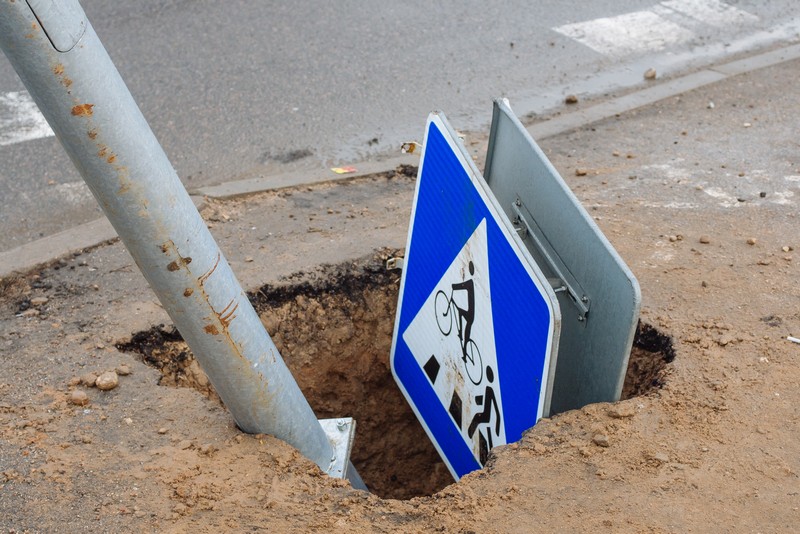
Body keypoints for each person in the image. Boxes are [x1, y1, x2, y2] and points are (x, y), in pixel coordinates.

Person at [450, 261, 475, 362]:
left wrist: (454, 287)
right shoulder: (470, 283)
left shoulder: (470, 283)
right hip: (469, 314)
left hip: (470, 316)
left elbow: (462, 285)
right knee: (459, 311)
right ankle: (460, 333)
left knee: (466, 337)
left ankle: (465, 356)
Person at [468, 366, 501, 440]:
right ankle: (469, 436)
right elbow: (486, 400)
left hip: (486, 415)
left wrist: (497, 423)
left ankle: (469, 436)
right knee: (477, 416)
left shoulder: (490, 389)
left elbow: (495, 406)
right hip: (486, 414)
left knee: (477, 416)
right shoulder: (488, 388)